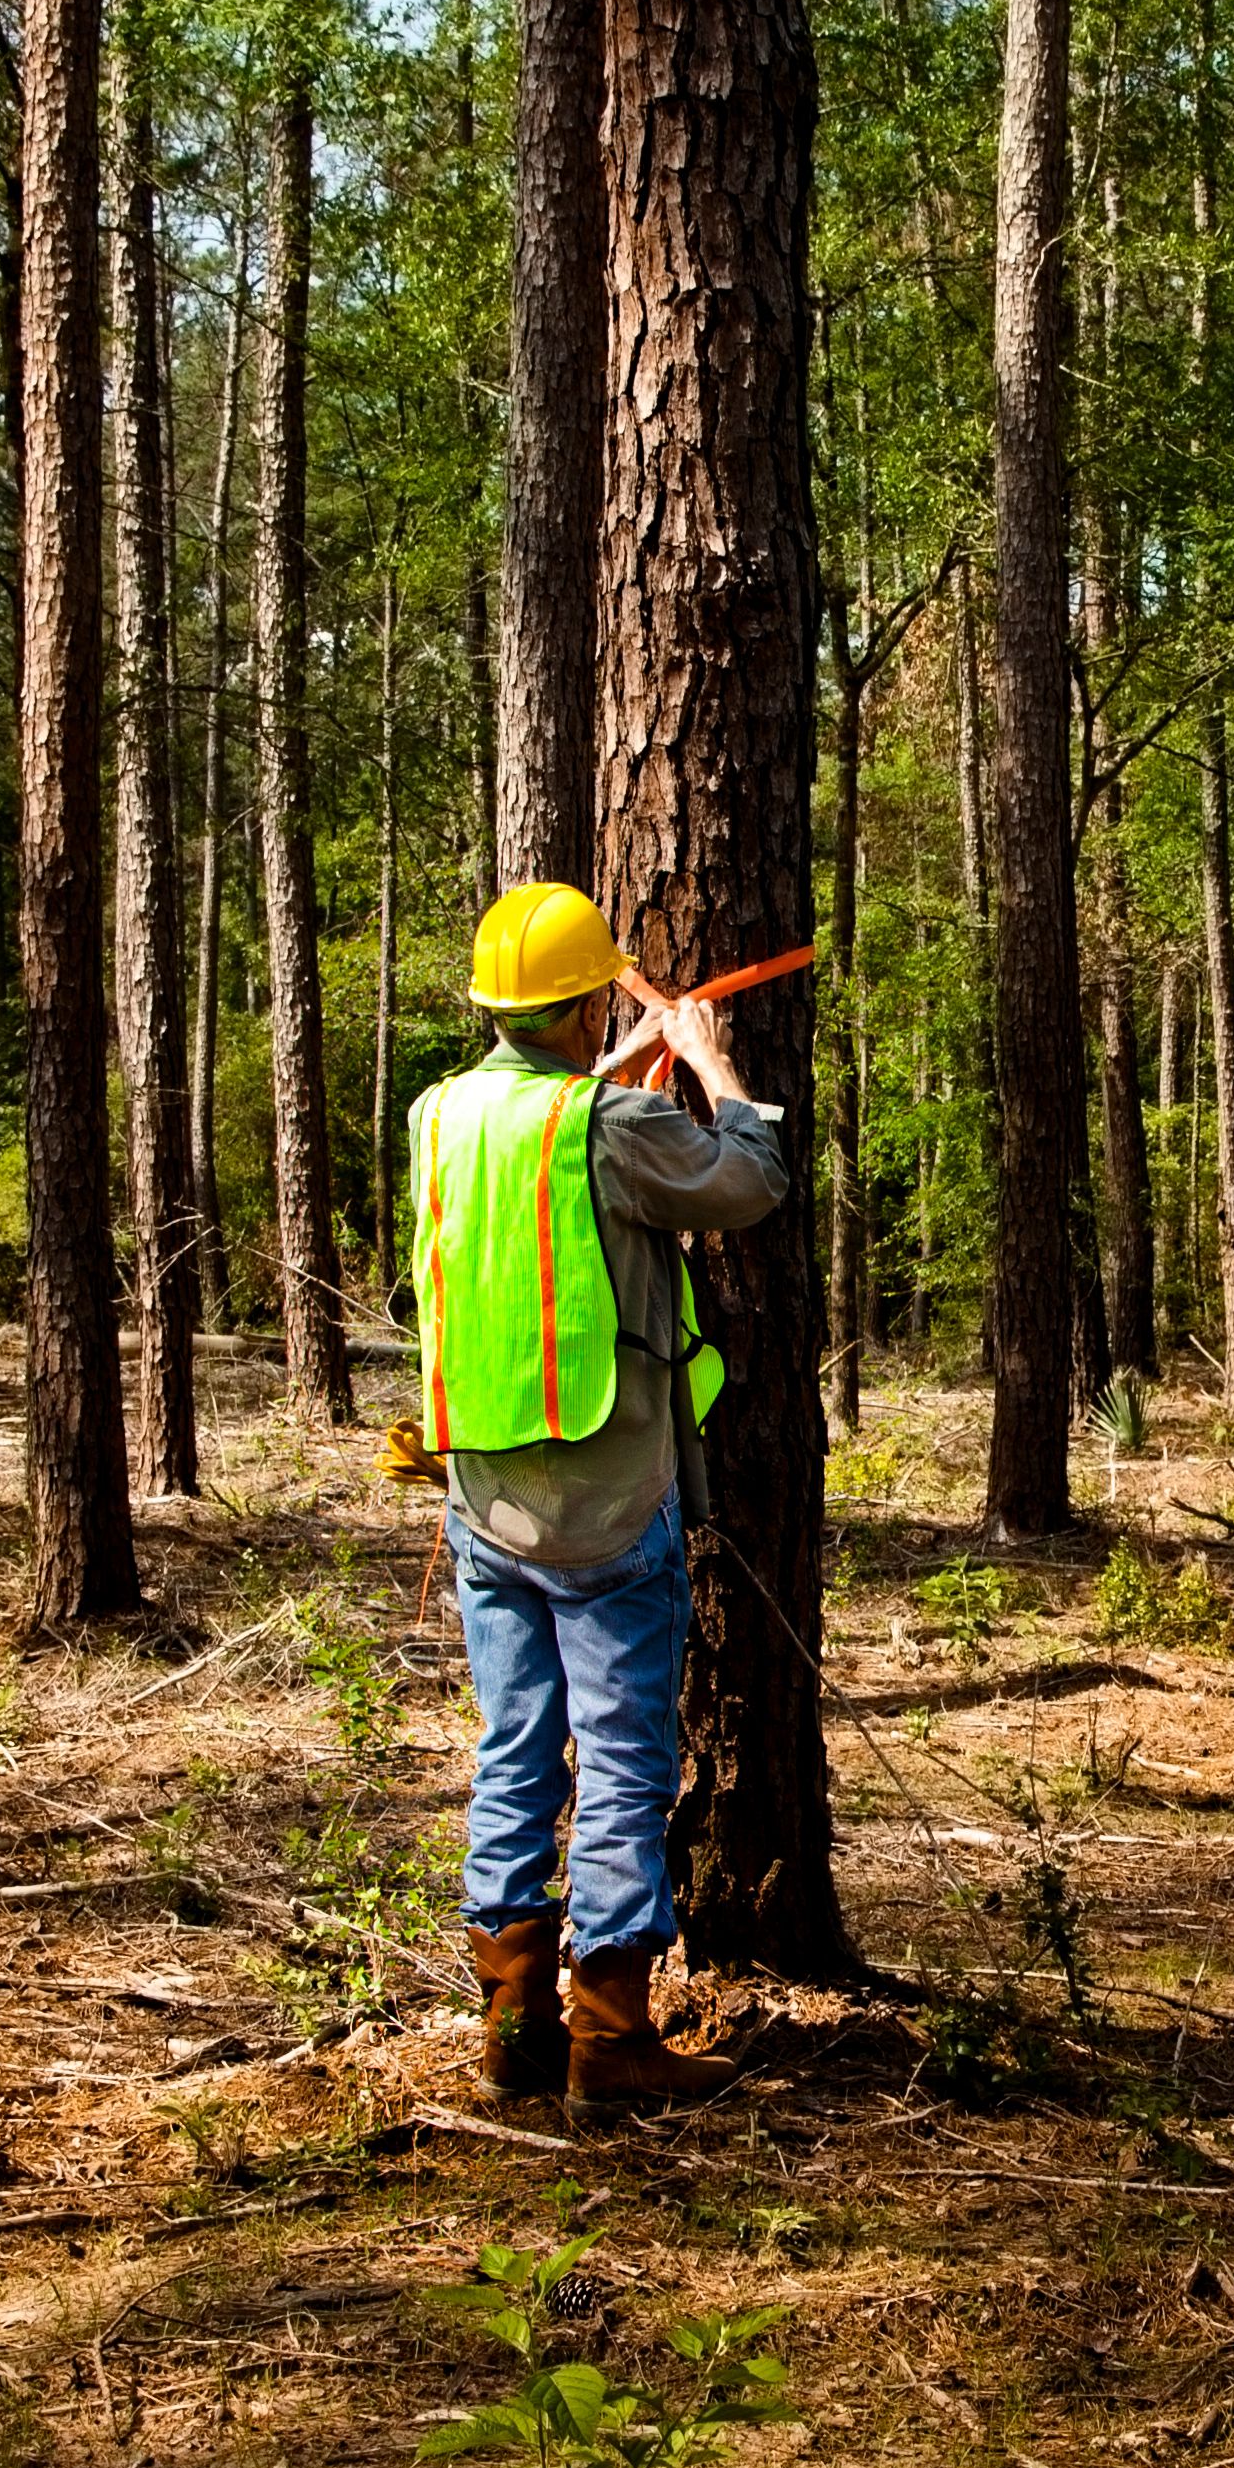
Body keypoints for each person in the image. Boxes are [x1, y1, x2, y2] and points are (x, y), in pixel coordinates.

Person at [411, 882, 792, 2113]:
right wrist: (714, 1069)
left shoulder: (444, 1114)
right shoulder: (611, 1127)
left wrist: (609, 1076)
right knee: (625, 1760)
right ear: (586, 1007)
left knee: (515, 1751)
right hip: (613, 1499)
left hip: (483, 1493)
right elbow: (746, 1183)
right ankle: (611, 2042)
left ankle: (512, 2032)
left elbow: (537, 1165)